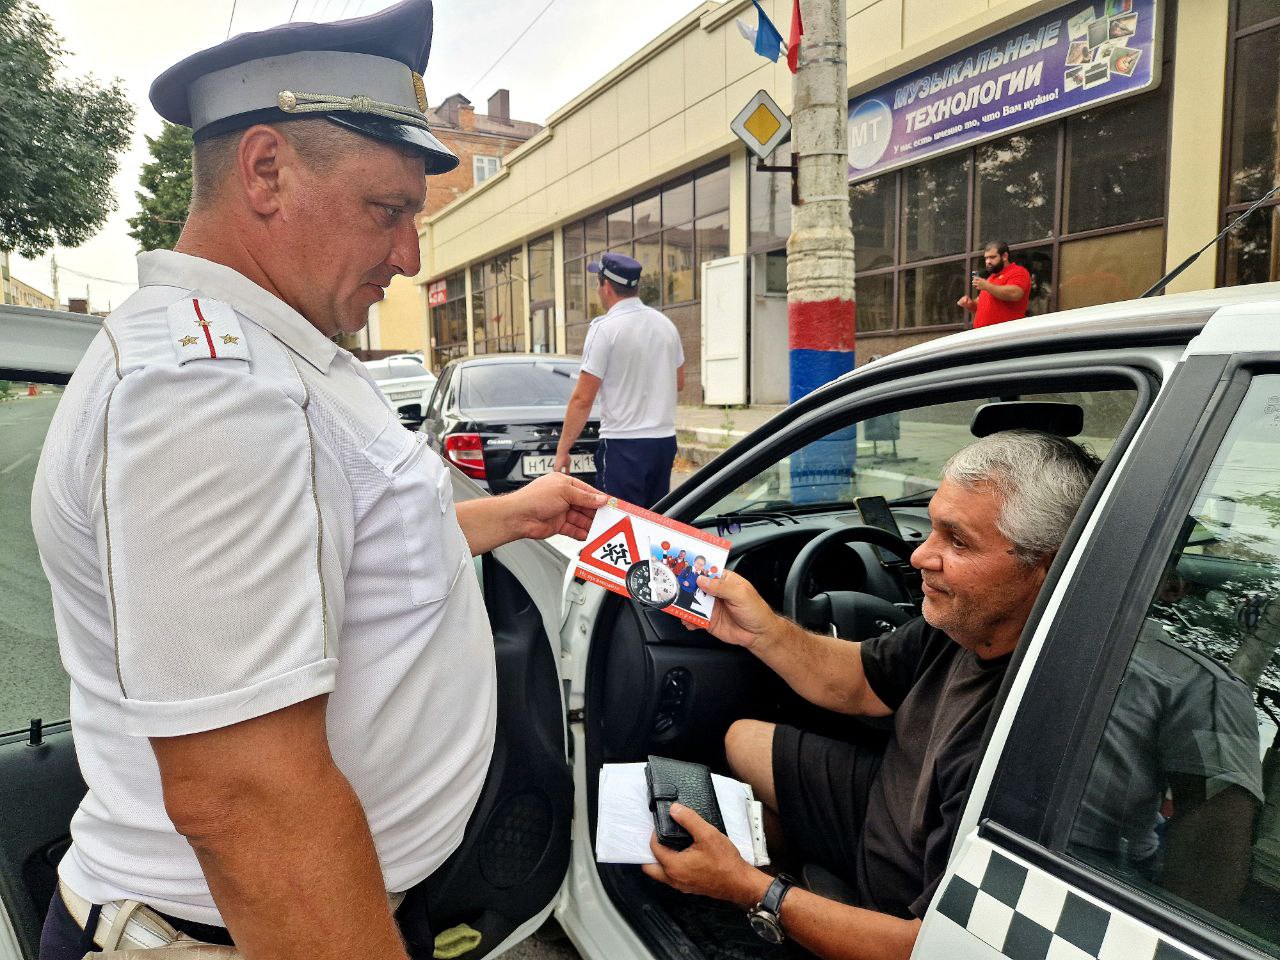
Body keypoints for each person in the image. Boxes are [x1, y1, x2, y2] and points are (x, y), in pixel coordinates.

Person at [29, 4, 605, 959]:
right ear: (265, 170)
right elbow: (246, 798)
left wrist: (511, 514)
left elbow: (346, 552)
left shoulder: (276, 351)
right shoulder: (208, 393)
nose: (410, 256)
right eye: (388, 210)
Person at [642, 431, 1100, 960]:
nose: (921, 555)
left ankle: (809, 912)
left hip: (900, 911)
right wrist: (761, 631)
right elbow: (859, 681)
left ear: (1045, 567)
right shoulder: (966, 621)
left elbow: (926, 947)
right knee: (742, 739)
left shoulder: (1030, 737)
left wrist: (750, 888)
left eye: (958, 541)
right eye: (932, 526)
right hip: (885, 811)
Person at [1070, 557, 1267, 915]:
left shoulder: (1203, 686)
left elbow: (1206, 873)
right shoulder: (1203, 684)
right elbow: (1206, 880)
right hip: (1099, 870)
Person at [554, 252, 685, 509]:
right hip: (663, 441)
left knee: (617, 522)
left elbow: (582, 399)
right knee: (655, 519)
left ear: (605, 286)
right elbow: (678, 382)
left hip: (623, 444)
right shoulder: (665, 325)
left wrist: (562, 451)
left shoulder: (605, 328)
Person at [957, 240, 1032, 328]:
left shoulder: (1017, 271)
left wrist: (987, 286)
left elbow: (1015, 293)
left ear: (1004, 256)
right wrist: (970, 304)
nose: (988, 261)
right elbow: (980, 306)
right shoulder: (991, 278)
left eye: (992, 257)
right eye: (986, 258)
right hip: (984, 333)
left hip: (1005, 331)